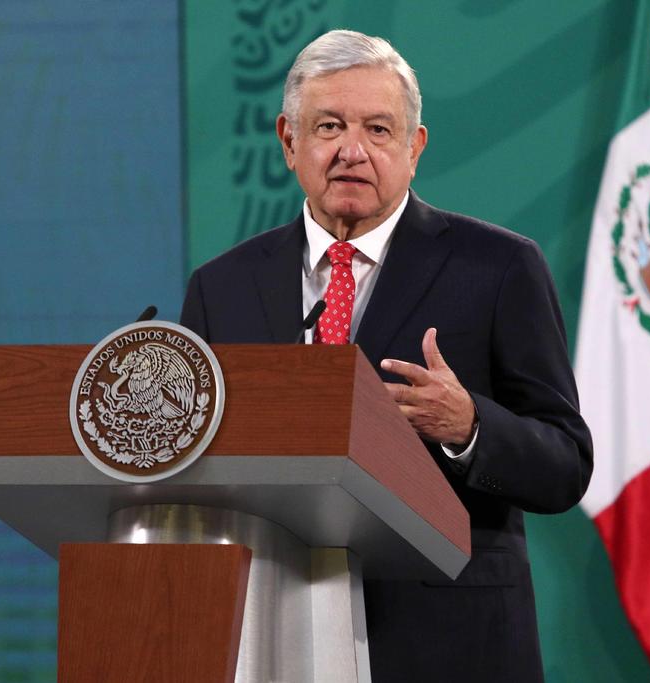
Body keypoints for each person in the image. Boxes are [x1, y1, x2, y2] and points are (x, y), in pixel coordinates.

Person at [180, 29, 592, 683]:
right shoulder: (222, 286)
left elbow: (565, 463)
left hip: (448, 645)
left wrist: (469, 427)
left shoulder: (499, 268)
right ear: (289, 141)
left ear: (414, 147)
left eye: (378, 129)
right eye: (329, 126)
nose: (353, 151)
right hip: (267, 634)